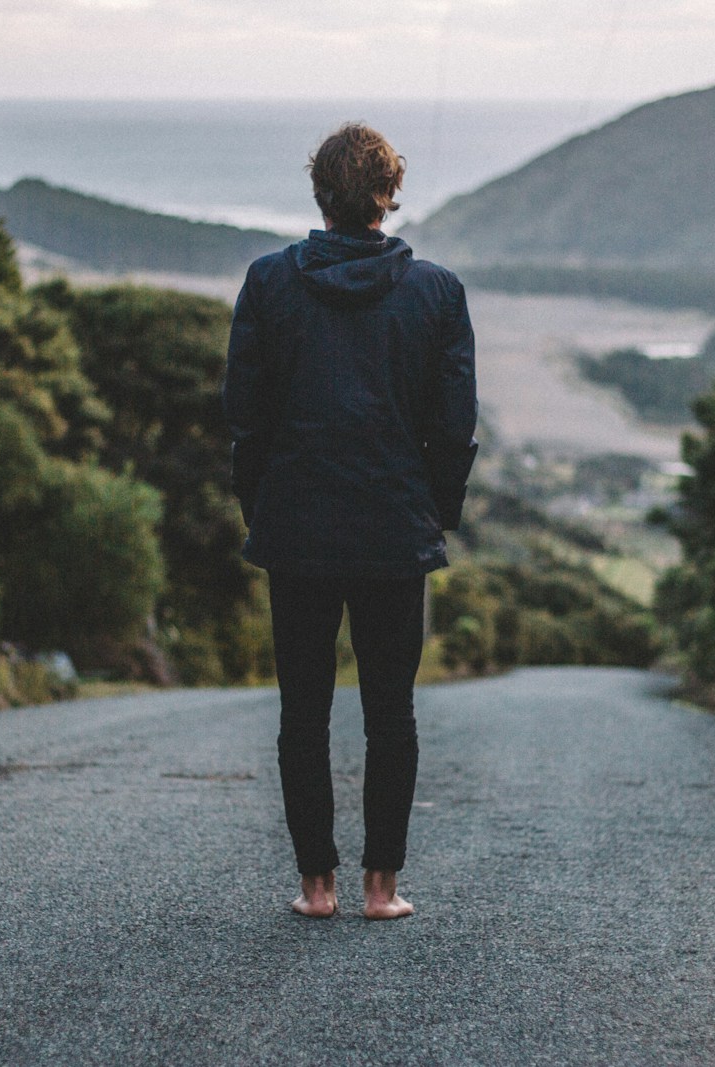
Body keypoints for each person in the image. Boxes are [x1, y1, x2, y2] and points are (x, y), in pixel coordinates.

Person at [223, 123, 478, 920]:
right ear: (385, 196)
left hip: (297, 529)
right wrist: (433, 514)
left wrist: (261, 510)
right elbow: (455, 426)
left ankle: (316, 887)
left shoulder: (267, 284)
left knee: (303, 710)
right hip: (394, 533)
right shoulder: (438, 292)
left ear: (321, 196)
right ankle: (382, 889)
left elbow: (245, 421)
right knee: (389, 711)